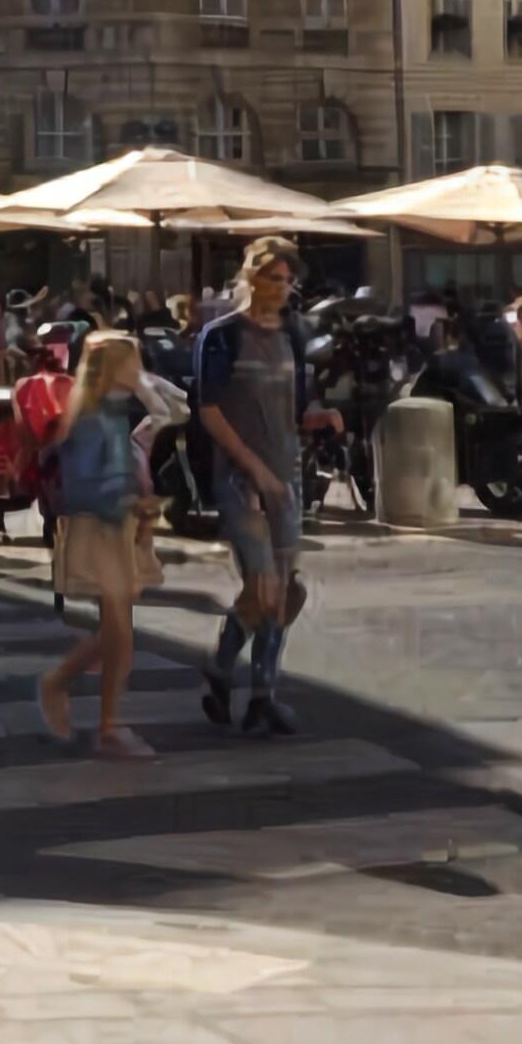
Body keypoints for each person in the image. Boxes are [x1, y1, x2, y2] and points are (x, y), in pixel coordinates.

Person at [190, 237, 320, 737]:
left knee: (287, 591)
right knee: (263, 588)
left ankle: (262, 693)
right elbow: (210, 412)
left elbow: (296, 400)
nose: (282, 287)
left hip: (285, 473)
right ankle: (222, 669)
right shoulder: (221, 336)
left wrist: (315, 418)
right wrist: (254, 470)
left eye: (288, 279)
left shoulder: (293, 332)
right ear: (249, 278)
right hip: (240, 478)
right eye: (272, 277)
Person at [35, 330, 161, 762]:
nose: (141, 373)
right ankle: (102, 721)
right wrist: (128, 501)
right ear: (110, 371)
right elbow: (84, 486)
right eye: (133, 365)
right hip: (97, 528)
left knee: (116, 632)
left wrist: (139, 503)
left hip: (116, 525)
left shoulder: (113, 412)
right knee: (119, 633)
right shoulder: (90, 419)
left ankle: (67, 688)